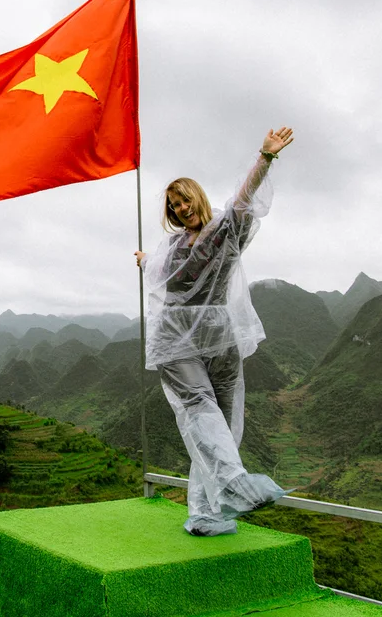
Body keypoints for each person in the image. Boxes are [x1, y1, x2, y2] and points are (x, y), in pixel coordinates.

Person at [134, 126, 294, 536]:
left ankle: (207, 513)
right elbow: (160, 269)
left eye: (184, 198)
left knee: (223, 424)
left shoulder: (226, 231)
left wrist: (265, 157)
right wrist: (145, 259)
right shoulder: (172, 247)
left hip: (218, 336)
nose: (180, 208)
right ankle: (235, 484)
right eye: (173, 205)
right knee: (201, 410)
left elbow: (244, 203)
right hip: (175, 338)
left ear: (197, 196)